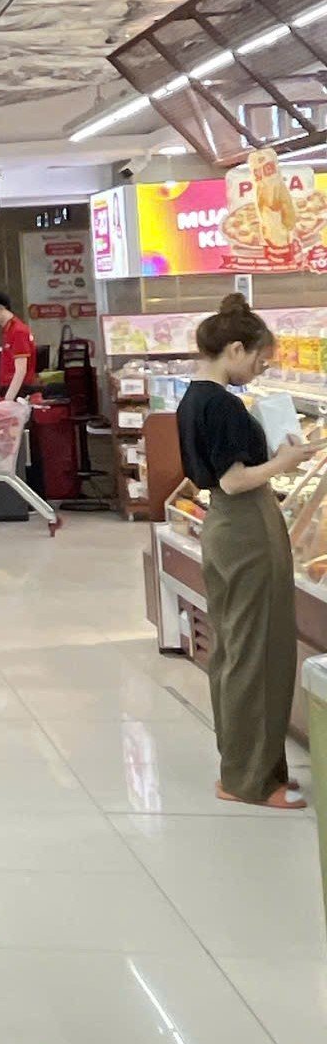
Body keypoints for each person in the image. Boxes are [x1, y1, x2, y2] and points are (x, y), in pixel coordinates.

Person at [176, 295, 313, 809]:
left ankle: (250, 767)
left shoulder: (194, 399)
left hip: (228, 530)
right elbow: (235, 481)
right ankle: (251, 780)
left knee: (239, 652)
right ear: (234, 348)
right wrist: (289, 458)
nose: (261, 370)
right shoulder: (225, 404)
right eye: (258, 360)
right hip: (246, 527)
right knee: (258, 655)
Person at [0, 291, 36, 404]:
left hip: (18, 391)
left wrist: (8, 400)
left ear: (1, 308)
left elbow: (21, 370)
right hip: (8, 388)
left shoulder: (18, 331)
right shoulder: (8, 330)